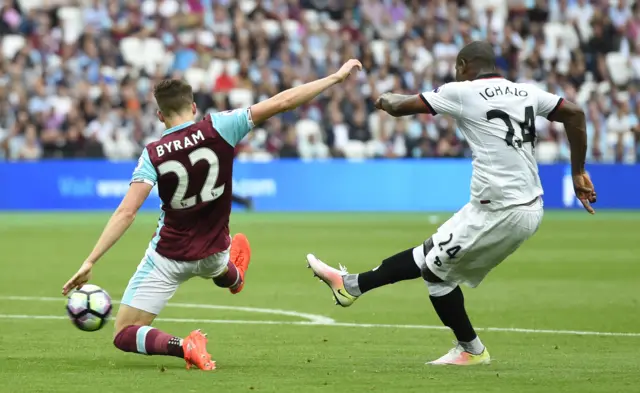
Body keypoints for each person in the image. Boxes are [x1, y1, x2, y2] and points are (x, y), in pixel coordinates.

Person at [306, 41, 597, 366]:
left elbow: (401, 106)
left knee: (435, 273)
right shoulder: (526, 92)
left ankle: (470, 350)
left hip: (502, 210)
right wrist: (579, 170)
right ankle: (351, 286)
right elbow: (575, 112)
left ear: (463, 65)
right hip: (507, 204)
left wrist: (384, 98)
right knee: (428, 254)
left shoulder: (463, 91)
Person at [62, 59, 363, 370]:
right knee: (219, 266)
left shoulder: (153, 153)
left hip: (169, 257)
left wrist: (91, 260)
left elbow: (127, 211)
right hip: (216, 250)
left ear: (159, 115)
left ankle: (185, 346)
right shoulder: (221, 126)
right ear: (193, 107)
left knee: (123, 332)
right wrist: (335, 78)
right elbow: (283, 101)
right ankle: (235, 276)